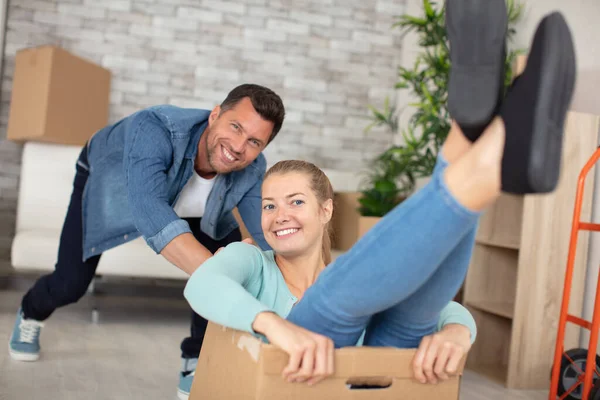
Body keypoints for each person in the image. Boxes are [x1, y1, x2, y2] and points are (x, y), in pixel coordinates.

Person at [184, 0, 576, 388]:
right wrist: (278, 328)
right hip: (290, 389)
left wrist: (456, 333)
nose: (278, 215)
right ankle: (477, 151)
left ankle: (472, 141)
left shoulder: (371, 276)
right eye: (268, 205)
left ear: (326, 210)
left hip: (366, 389)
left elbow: (449, 311)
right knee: (334, 304)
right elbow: (201, 285)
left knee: (406, 317)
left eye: (296, 202)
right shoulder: (251, 261)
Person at [8, 84, 285, 397]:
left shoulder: (252, 169)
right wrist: (220, 277)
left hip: (193, 209)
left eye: (254, 142)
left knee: (231, 258)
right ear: (215, 115)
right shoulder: (155, 128)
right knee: (71, 283)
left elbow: (267, 237)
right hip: (111, 181)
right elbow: (149, 209)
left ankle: (196, 358)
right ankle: (31, 310)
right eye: (235, 127)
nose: (238, 146)